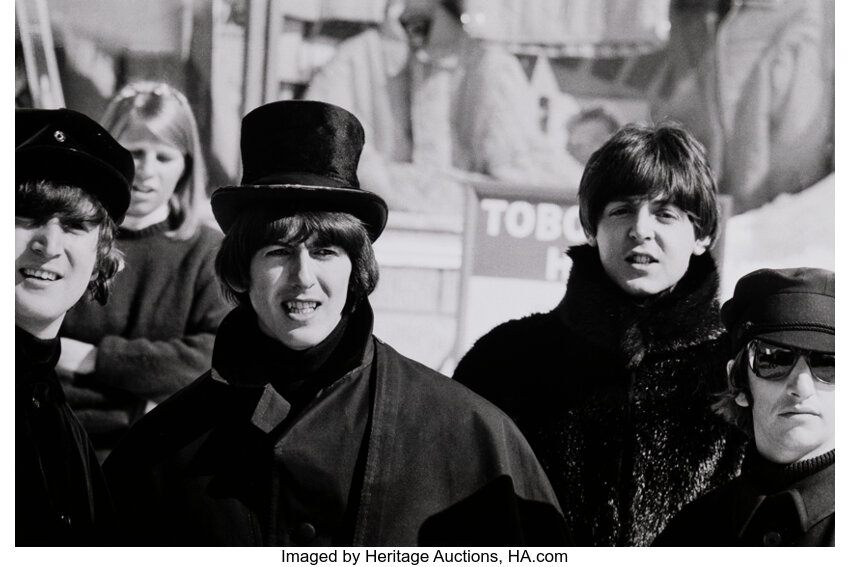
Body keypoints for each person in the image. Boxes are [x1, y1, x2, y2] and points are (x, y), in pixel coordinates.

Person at [103, 100, 570, 546]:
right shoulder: (161, 446)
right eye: (279, 252)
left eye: (325, 251)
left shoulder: (466, 435)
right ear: (242, 271)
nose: (303, 277)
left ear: (356, 270)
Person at [453, 122, 748, 546]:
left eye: (665, 214)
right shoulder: (504, 361)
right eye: (622, 210)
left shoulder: (743, 367)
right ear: (592, 228)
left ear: (702, 235)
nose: (641, 230)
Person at [57, 81, 229, 461]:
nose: (147, 172)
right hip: (55, 438)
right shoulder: (67, 235)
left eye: (164, 157)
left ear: (186, 165)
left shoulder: (207, 251)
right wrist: (146, 386)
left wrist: (94, 359)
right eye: (134, 152)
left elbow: (212, 358)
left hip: (153, 453)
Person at [16, 108, 133, 544]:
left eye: (75, 225)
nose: (48, 244)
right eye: (25, 216)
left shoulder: (61, 421)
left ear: (100, 257)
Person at [654, 267, 834, 546]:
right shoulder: (688, 533)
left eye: (828, 363)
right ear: (738, 382)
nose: (801, 387)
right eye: (774, 359)